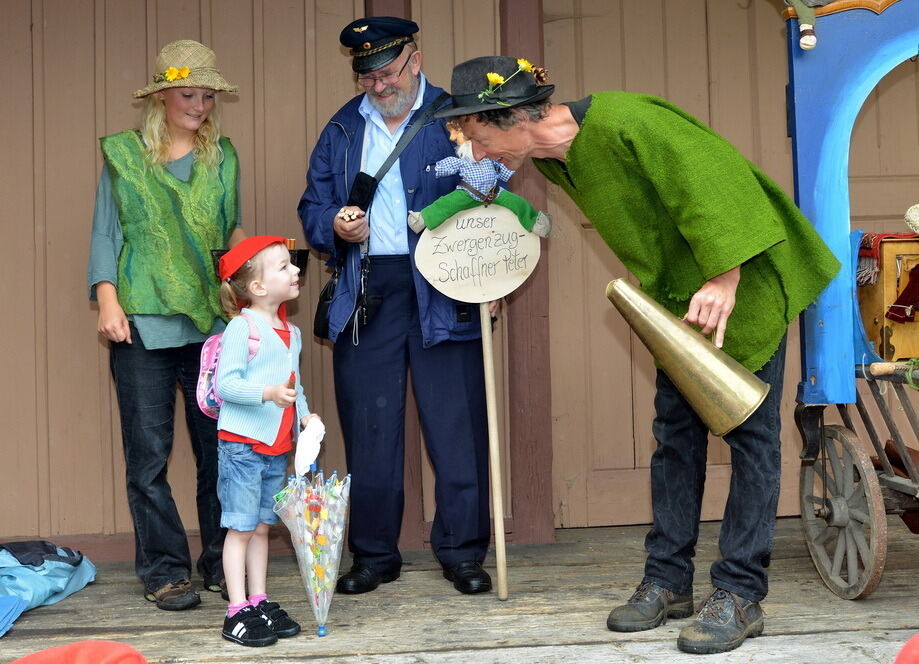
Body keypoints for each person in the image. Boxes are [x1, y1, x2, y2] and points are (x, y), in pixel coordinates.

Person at [436, 55, 841, 654]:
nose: (476, 152)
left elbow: (717, 184)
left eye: (478, 136)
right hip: (677, 301)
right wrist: (486, 286)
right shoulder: (552, 160)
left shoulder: (629, 121)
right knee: (676, 435)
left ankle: (739, 594)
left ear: (513, 116)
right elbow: (497, 217)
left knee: (751, 437)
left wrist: (725, 277)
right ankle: (667, 580)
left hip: (737, 289)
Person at [297, 17, 493, 596]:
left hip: (445, 286)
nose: (378, 88)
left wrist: (492, 273)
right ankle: (375, 554)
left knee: (455, 424)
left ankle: (462, 551)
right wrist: (333, 225)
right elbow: (313, 203)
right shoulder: (341, 127)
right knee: (369, 427)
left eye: (386, 74)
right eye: (367, 78)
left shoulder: (454, 116)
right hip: (367, 288)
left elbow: (496, 188)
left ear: (414, 58)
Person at [87, 39, 244, 610]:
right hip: (142, 327)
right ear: (161, 96)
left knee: (219, 454)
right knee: (148, 457)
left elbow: (232, 233)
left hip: (211, 330)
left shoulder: (222, 156)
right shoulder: (125, 155)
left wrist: (247, 290)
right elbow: (107, 233)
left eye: (206, 95)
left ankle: (223, 564)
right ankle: (165, 570)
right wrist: (108, 300)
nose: (198, 105)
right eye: (187, 94)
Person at [214, 236, 320, 647]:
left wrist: (305, 413)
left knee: (261, 526)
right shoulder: (243, 328)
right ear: (257, 287)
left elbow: (294, 385)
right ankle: (235, 611)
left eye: (291, 265)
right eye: (283, 266)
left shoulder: (290, 332)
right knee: (240, 529)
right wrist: (268, 394)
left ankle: (258, 600)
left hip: (276, 447)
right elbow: (227, 385)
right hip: (242, 445)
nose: (295, 271)